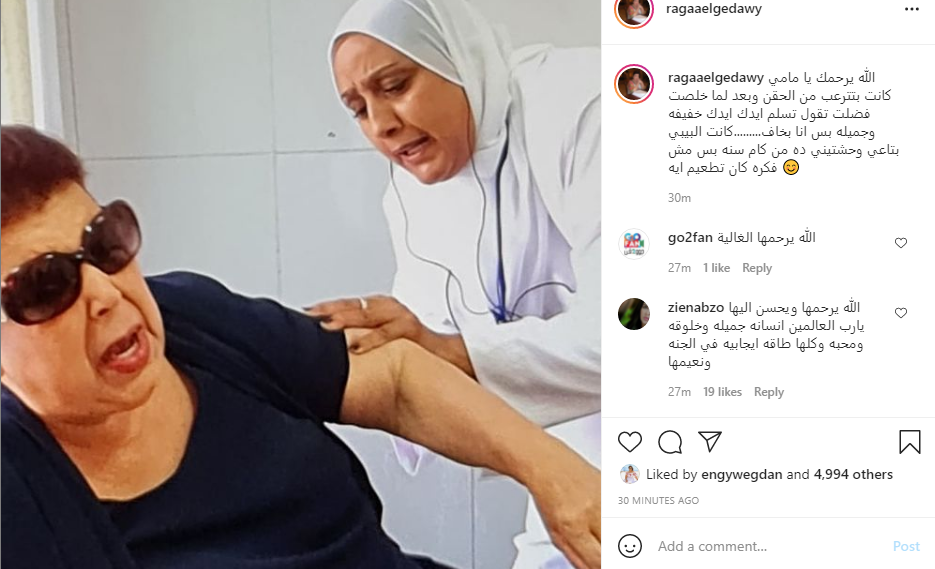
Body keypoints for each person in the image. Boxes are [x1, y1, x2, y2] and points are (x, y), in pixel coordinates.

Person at [0, 125, 600, 569]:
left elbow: (392, 380)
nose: (107, 293)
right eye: (46, 285)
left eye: (104, 243)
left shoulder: (190, 319)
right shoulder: (19, 490)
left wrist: (554, 475)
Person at [308, 0, 600, 568]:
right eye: (358, 109)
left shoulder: (585, 109)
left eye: (395, 86)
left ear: (457, 57)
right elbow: (421, 353)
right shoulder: (416, 191)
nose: (381, 125)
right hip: (577, 446)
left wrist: (444, 350)